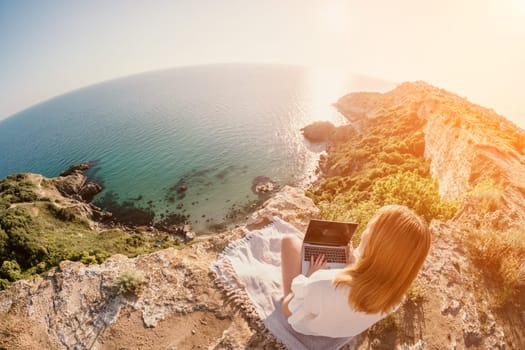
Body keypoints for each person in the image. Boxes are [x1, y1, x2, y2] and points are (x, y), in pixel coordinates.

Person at [280, 205, 431, 338]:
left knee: (289, 241)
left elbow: (288, 310)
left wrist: (310, 276)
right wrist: (353, 263)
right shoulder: (396, 298)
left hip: (311, 327)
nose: (364, 232)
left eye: (369, 228)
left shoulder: (322, 282)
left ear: (377, 243)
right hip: (343, 331)